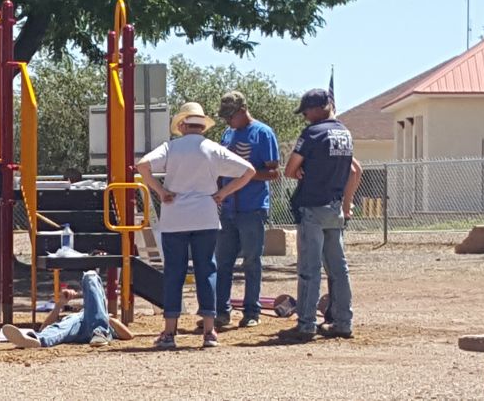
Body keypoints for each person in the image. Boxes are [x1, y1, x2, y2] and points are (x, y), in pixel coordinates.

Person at [137, 102, 255, 349]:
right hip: (205, 216)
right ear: (202, 125)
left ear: (182, 124)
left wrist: (160, 191)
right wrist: (223, 193)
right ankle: (210, 331)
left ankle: (170, 331)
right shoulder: (213, 149)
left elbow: (143, 165)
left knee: (174, 273)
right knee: (206, 270)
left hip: (175, 217)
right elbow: (248, 171)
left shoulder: (171, 147)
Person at [281, 88, 362, 341]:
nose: (305, 116)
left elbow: (290, 169)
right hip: (334, 208)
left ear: (318, 108)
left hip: (312, 208)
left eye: (306, 111)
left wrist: (298, 172)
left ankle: (306, 324)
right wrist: (347, 204)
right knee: (338, 269)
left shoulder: (313, 133)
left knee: (310, 268)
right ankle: (343, 322)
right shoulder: (345, 133)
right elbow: (355, 171)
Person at [213, 91, 280, 329]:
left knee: (251, 260)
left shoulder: (263, 133)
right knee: (223, 261)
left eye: (230, 116)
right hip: (227, 208)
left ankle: (252, 311)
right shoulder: (228, 134)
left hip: (252, 208)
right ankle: (221, 312)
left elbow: (273, 172)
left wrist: (245, 175)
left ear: (242, 111)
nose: (228, 121)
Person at [0, 271, 133, 348]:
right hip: (76, 327)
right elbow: (44, 327)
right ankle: (36, 340)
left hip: (97, 325)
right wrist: (60, 305)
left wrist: (106, 318)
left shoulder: (105, 318)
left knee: (90, 275)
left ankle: (100, 333)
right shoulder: (73, 317)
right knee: (62, 327)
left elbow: (128, 335)